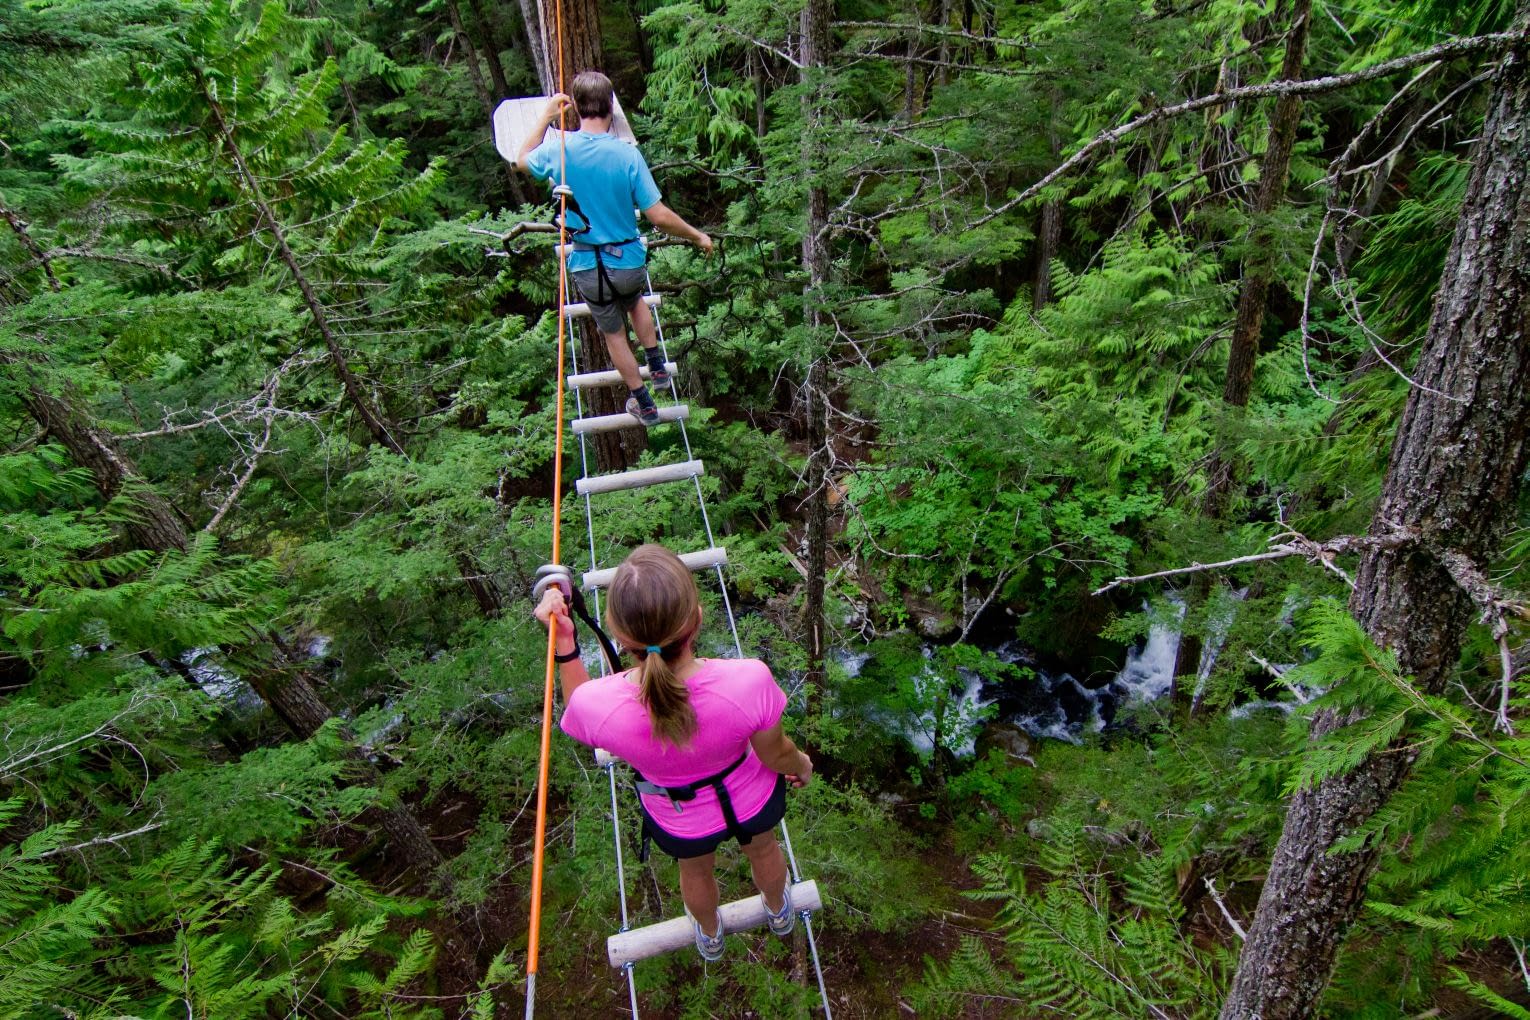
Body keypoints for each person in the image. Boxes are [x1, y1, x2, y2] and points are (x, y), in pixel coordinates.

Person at [533, 545, 813, 961]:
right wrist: (802, 765)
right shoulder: (748, 680)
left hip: (680, 818)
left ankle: (710, 933)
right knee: (765, 849)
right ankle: (778, 910)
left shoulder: (604, 706)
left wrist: (566, 642)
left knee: (695, 870)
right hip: (751, 798)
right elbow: (777, 755)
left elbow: (580, 709)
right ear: (696, 618)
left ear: (620, 637)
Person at [516, 71, 713, 427]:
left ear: (575, 108)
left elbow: (520, 159)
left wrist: (545, 118)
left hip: (588, 265)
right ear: (612, 107)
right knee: (635, 300)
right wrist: (696, 236)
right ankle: (656, 364)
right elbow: (657, 214)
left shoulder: (558, 150)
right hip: (628, 263)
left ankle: (644, 404)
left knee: (613, 333)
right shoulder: (627, 156)